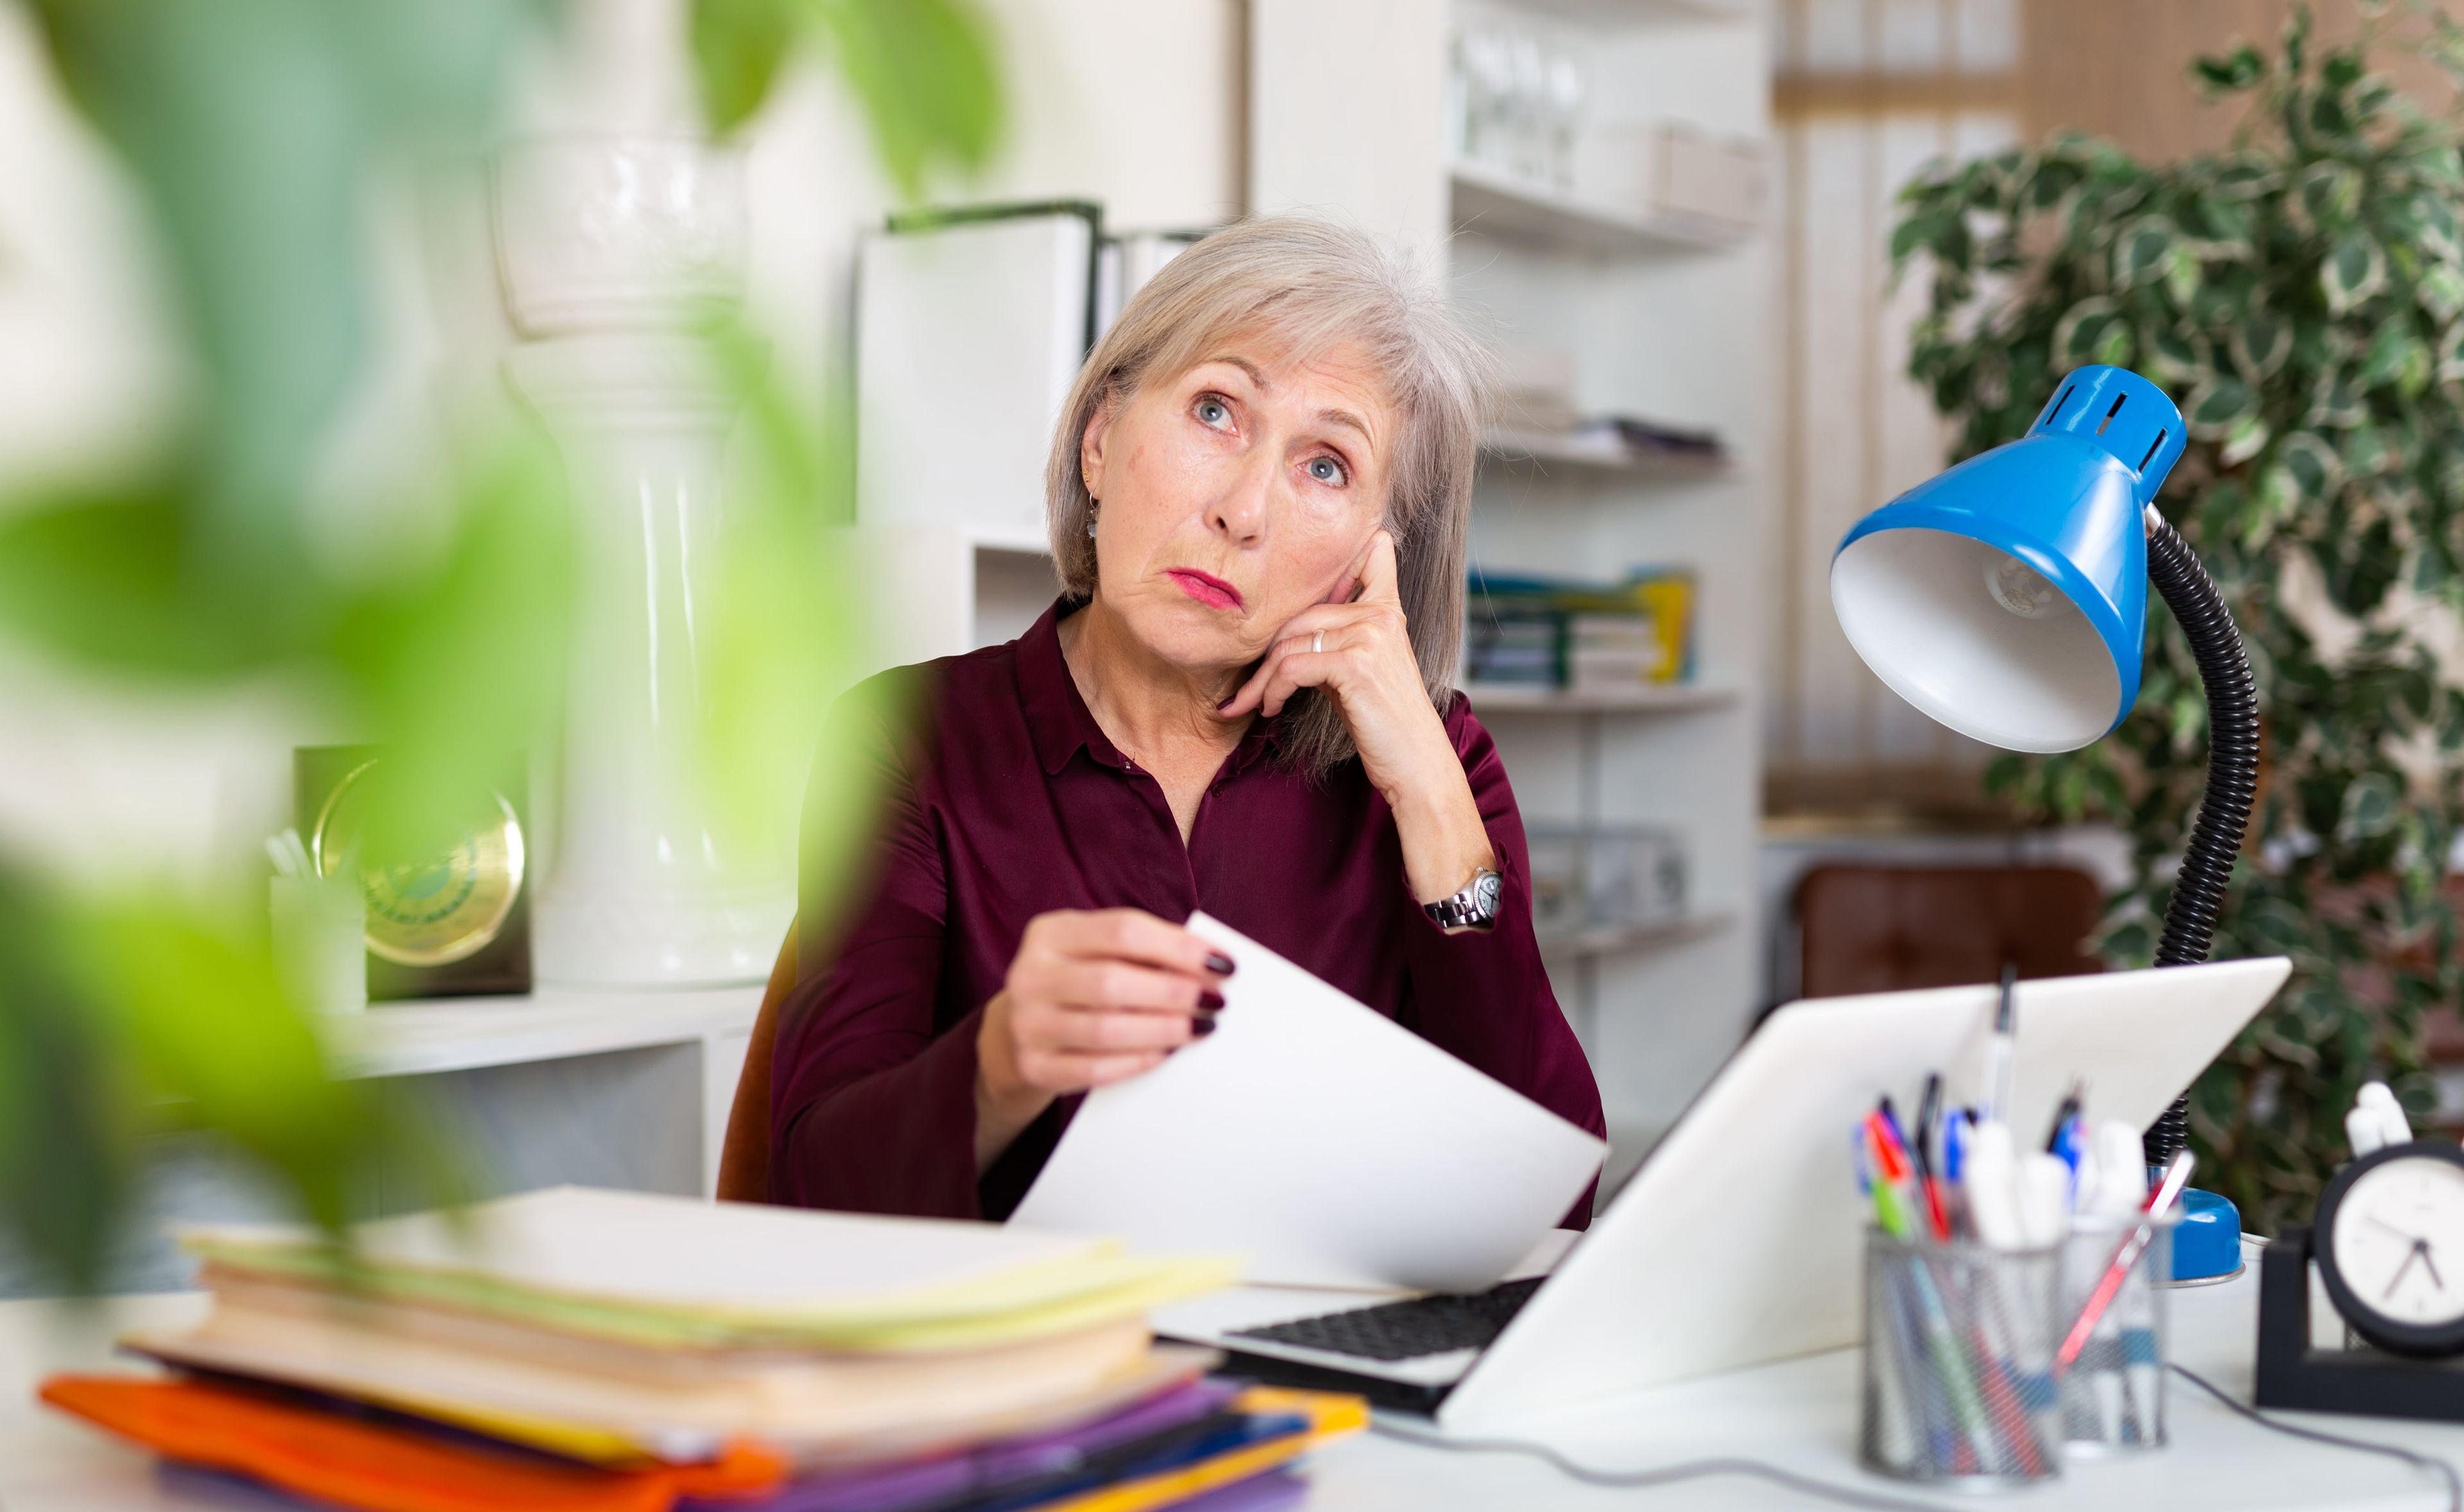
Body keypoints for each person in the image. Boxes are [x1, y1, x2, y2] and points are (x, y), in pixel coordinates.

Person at [769, 214, 1604, 1223]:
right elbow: (815, 1189)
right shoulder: (908, 737)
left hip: (1328, 1367)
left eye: (1326, 466)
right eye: (1216, 410)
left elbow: (1549, 1204)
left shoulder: (1440, 762)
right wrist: (996, 1065)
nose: (1244, 510)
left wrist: (1427, 793)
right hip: (1034, 1360)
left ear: (1370, 561)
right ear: (1100, 440)